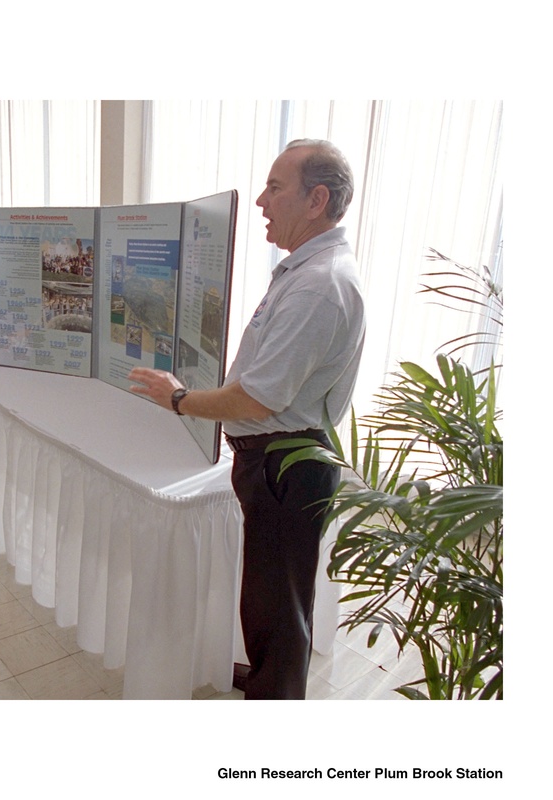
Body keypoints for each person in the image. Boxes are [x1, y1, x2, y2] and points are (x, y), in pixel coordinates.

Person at [129, 139, 366, 699]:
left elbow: (259, 398)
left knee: (279, 600)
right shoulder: (306, 270)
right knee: (269, 593)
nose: (260, 200)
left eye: (275, 187)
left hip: (287, 463)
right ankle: (269, 674)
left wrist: (181, 399)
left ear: (317, 200)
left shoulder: (319, 285)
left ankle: (275, 698)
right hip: (276, 460)